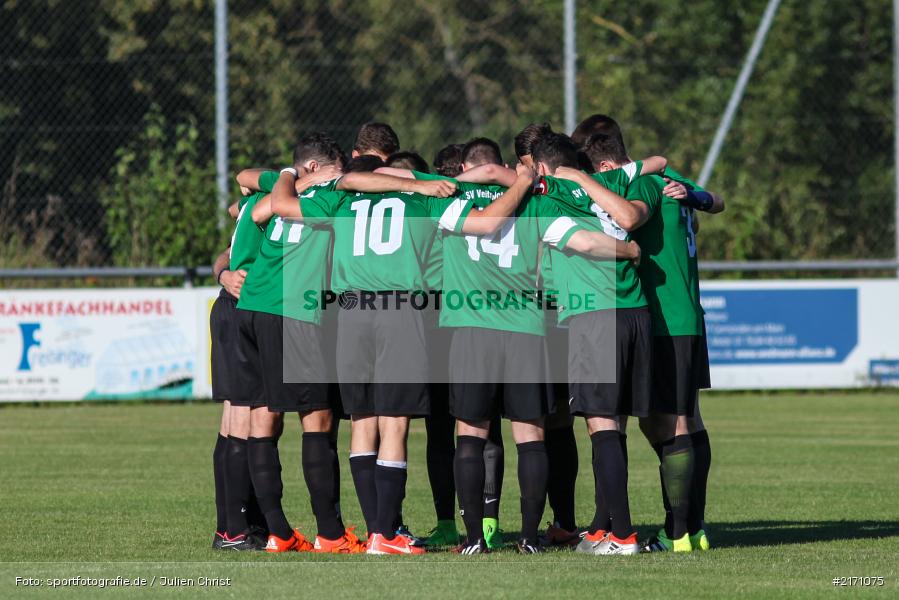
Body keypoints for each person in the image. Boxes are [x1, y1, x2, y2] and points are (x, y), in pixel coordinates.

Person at [568, 114, 723, 552]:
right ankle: (693, 526)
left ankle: (679, 533)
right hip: (688, 316)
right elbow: (717, 201)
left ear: (603, 165)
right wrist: (699, 196)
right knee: (684, 420)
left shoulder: (637, 185)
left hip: (661, 318)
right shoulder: (669, 177)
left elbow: (629, 221)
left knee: (668, 424)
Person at [233, 132, 363, 554]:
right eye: (337, 170)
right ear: (316, 167)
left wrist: (287, 176)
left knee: (263, 418)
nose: (343, 177)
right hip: (292, 308)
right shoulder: (329, 195)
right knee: (318, 419)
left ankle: (278, 532)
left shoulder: (284, 183)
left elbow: (244, 193)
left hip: (252, 306)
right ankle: (330, 534)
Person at [531, 132, 658, 556]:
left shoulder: (546, 200)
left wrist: (629, 249)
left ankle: (622, 535)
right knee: (614, 425)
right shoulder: (607, 186)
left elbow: (583, 242)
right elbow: (654, 162)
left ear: (543, 169)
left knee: (600, 424)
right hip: (636, 312)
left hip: (595, 315)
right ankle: (603, 529)